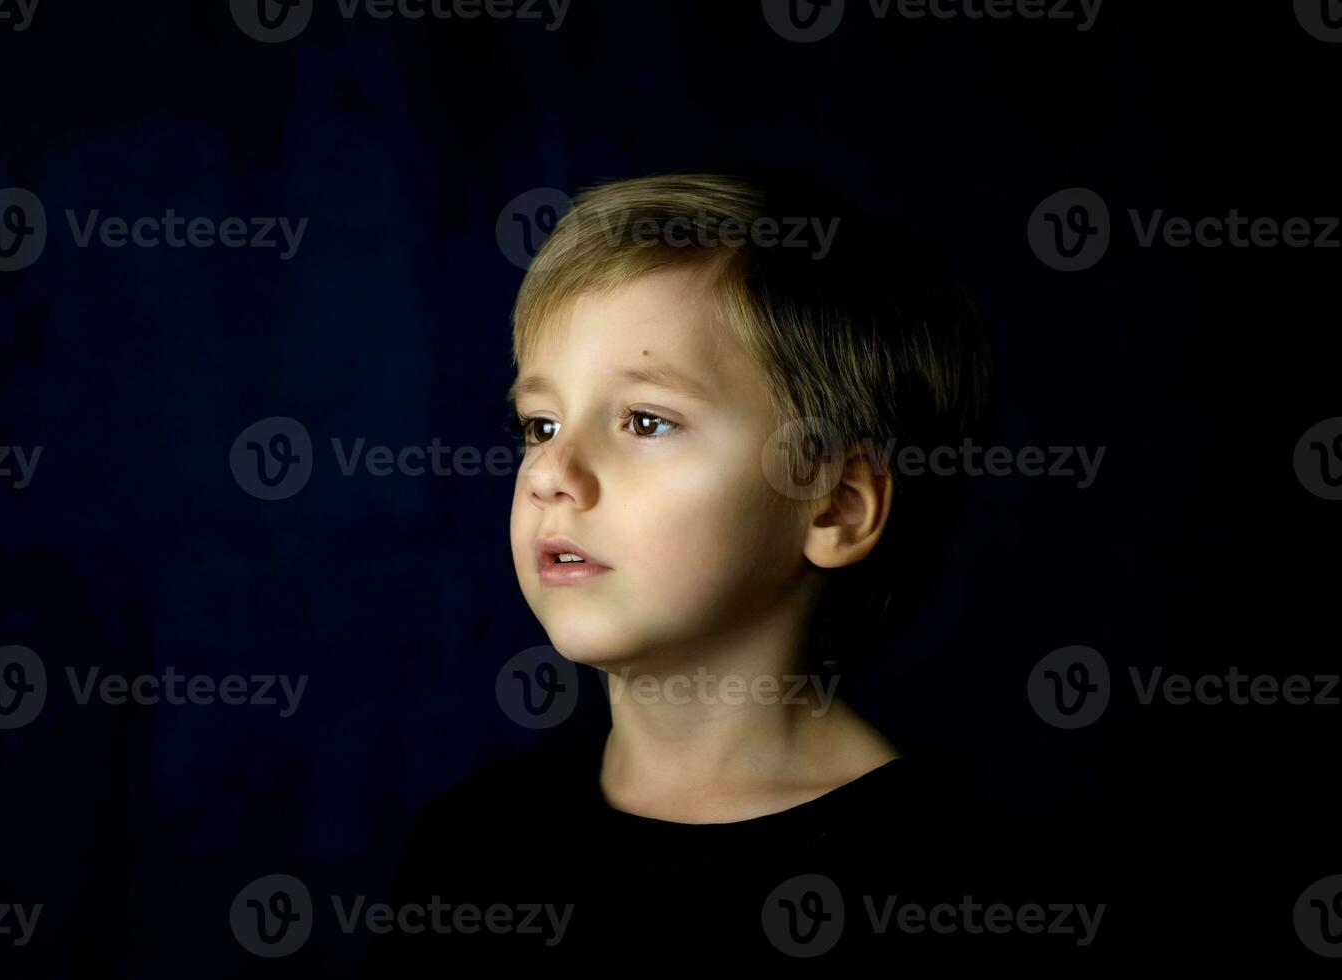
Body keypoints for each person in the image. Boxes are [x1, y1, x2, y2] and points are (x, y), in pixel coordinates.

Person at [368, 171, 1093, 967]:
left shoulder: (956, 894)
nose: (550, 473)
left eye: (645, 420)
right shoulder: (472, 845)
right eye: (540, 423)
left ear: (836, 507)